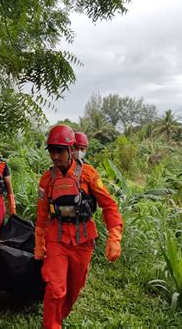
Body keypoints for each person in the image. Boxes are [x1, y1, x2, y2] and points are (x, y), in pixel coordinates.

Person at [34, 125, 123, 329]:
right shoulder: (47, 179)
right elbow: (42, 213)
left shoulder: (88, 175)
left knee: (73, 289)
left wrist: (114, 235)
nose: (55, 156)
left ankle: (59, 317)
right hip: (56, 238)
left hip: (83, 240)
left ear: (71, 149)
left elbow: (109, 205)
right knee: (55, 288)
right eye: (51, 150)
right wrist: (39, 242)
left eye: (60, 150)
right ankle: (51, 325)